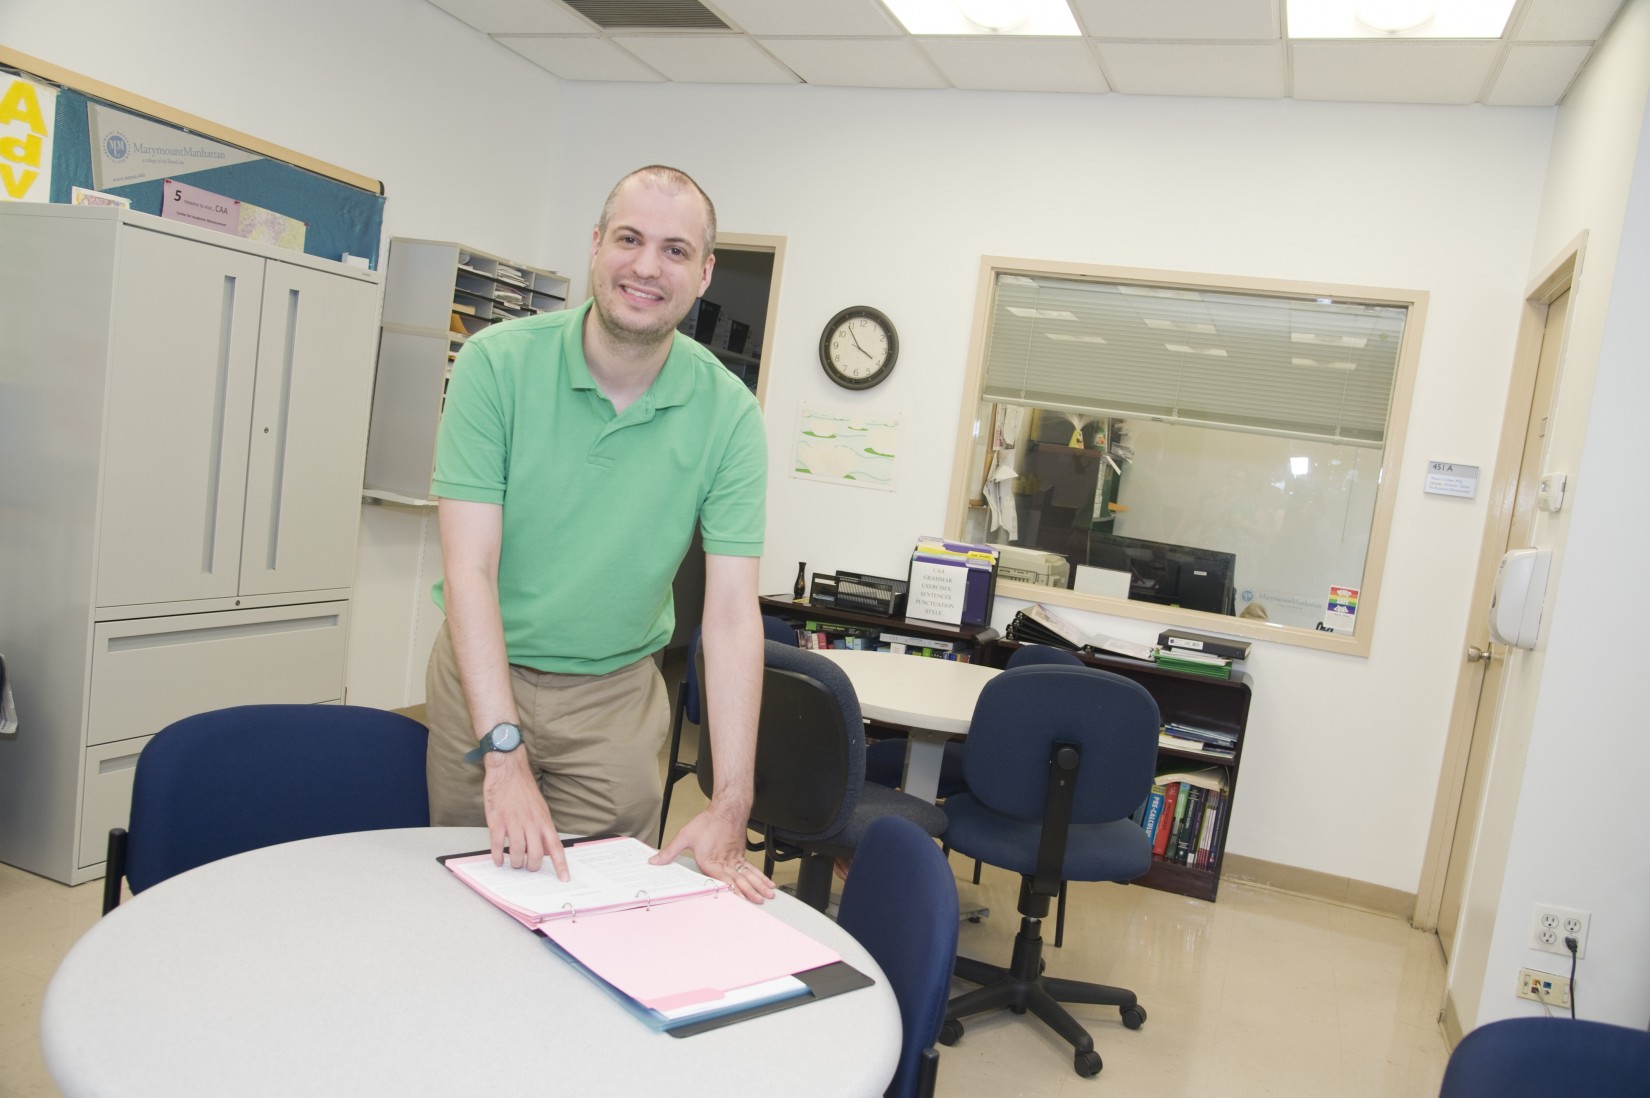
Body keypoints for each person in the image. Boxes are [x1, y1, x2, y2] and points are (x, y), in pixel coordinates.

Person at [424, 165, 775, 904]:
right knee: (475, 900)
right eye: (629, 238)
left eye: (676, 250)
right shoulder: (497, 365)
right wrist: (504, 755)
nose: (647, 266)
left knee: (605, 909)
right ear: (595, 246)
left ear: (705, 273)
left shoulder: (730, 414)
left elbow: (734, 614)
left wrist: (731, 799)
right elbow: (469, 572)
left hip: (615, 697)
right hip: (484, 674)